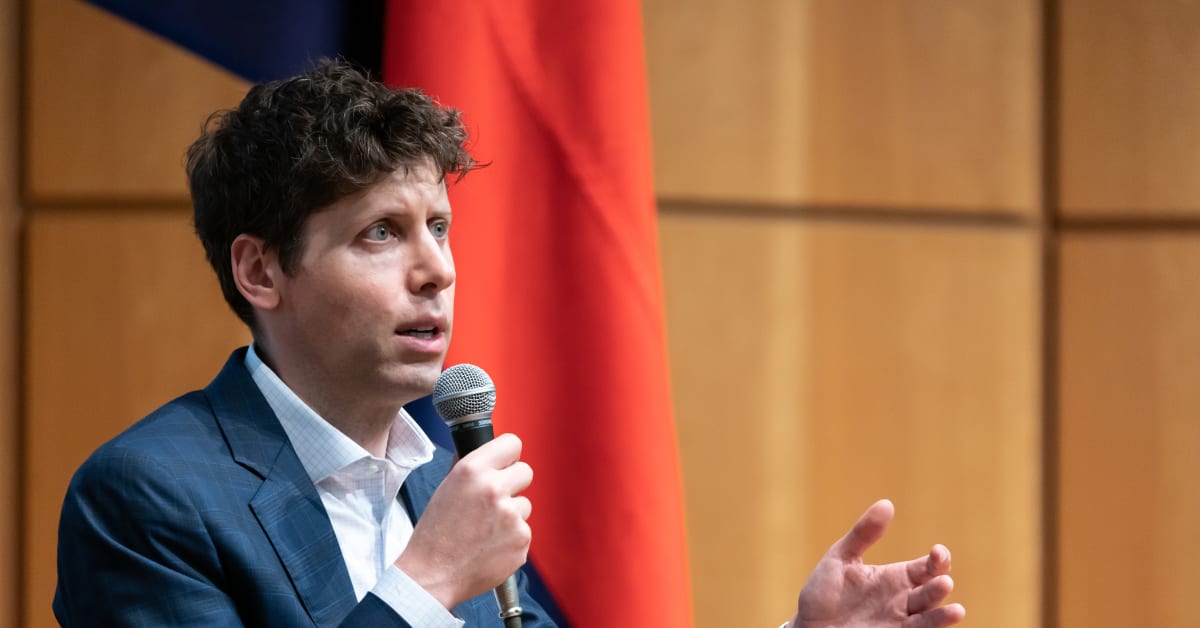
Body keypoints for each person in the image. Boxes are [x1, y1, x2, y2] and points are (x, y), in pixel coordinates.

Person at [53, 59, 964, 627]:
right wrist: (426, 582)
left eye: (439, 228)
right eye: (381, 233)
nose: (436, 270)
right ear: (262, 272)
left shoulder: (441, 481)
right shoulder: (147, 500)